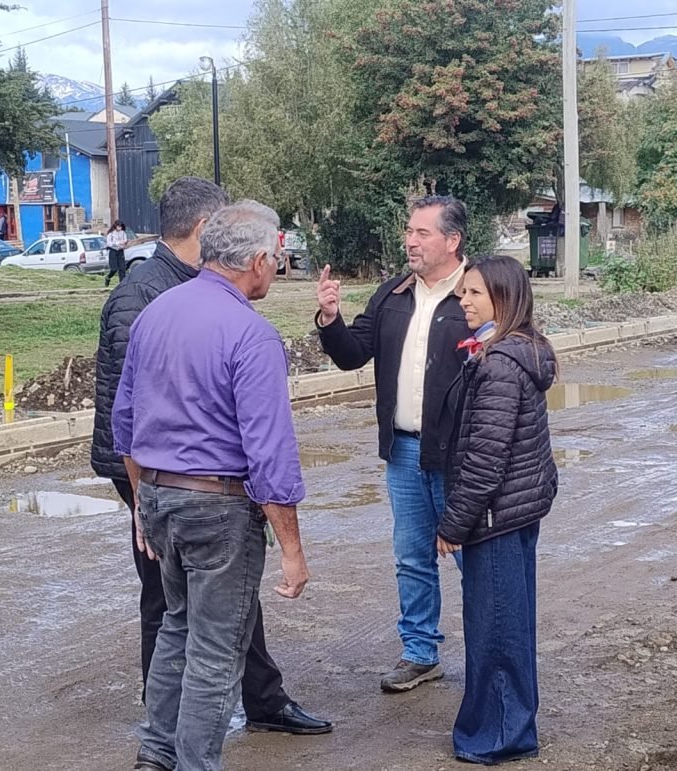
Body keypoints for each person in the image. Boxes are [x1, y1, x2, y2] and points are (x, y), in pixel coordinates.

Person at [91, 178, 330, 737]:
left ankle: (184, 736)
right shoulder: (150, 299)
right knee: (194, 632)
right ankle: (183, 742)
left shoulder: (168, 299)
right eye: (276, 256)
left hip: (163, 481)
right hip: (183, 486)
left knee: (194, 617)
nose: (278, 265)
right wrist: (292, 550)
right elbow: (265, 451)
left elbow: (129, 416)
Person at [315, 195, 471, 692]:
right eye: (409, 231)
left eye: (422, 233)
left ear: (452, 240)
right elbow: (353, 354)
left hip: (461, 456)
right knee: (411, 557)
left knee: (474, 558)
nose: (410, 241)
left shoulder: (477, 292)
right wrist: (330, 319)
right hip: (404, 452)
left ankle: (490, 653)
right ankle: (420, 653)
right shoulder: (393, 294)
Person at [436, 255, 558, 765]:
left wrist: (452, 525)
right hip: (512, 512)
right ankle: (505, 727)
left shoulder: (501, 365)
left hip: (496, 519)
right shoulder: (507, 351)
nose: (462, 300)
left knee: (497, 630)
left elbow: (486, 460)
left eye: (474, 293)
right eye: (462, 292)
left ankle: (500, 736)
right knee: (506, 626)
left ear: (503, 300)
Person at [106, 219, 129, 286]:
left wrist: (125, 243)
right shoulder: (111, 233)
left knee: (122, 268)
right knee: (114, 269)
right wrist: (117, 243)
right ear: (115, 226)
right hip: (113, 251)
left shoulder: (123, 233)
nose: (120, 228)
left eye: (121, 227)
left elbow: (125, 240)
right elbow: (109, 244)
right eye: (118, 226)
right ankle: (108, 277)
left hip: (120, 251)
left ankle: (122, 284)